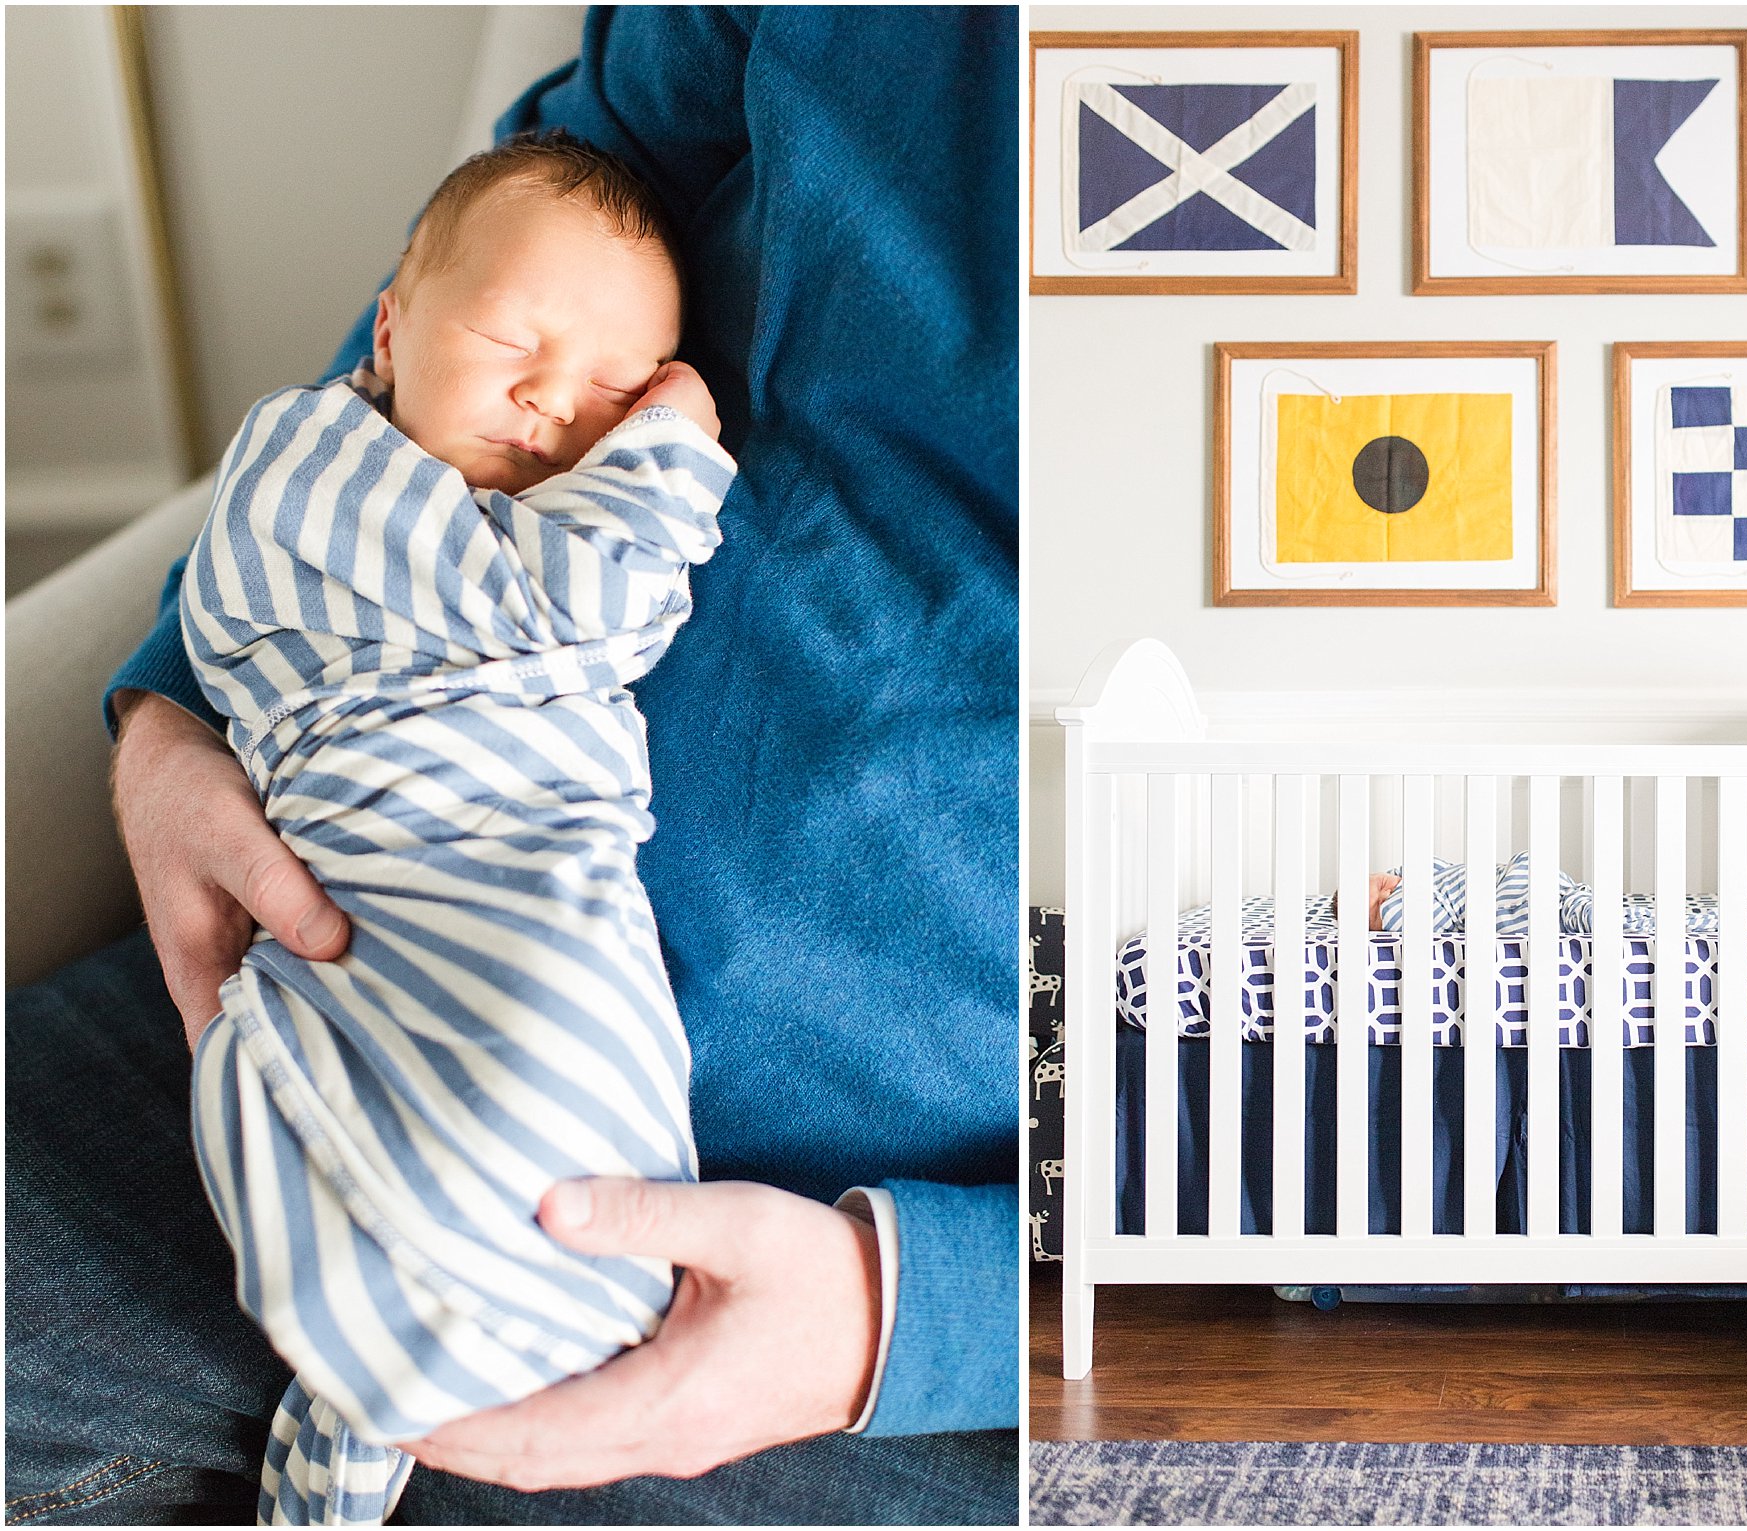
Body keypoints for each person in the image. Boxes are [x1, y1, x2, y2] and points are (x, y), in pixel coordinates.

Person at [5, 8, 1017, 1525]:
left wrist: (912, 1318)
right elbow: (542, 207)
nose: (560, 415)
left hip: (824, 1273)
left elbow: (1488, 1157)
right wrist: (182, 704)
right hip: (329, 958)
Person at [185, 131, 739, 1525]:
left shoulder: (506, 525)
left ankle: (395, 1378)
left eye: (614, 389)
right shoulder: (308, 464)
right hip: (401, 865)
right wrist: (666, 447)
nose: (556, 403)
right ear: (387, 323)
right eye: (511, 339)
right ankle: (397, 1358)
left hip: (551, 861)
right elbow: (583, 609)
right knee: (519, 1065)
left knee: (591, 1100)